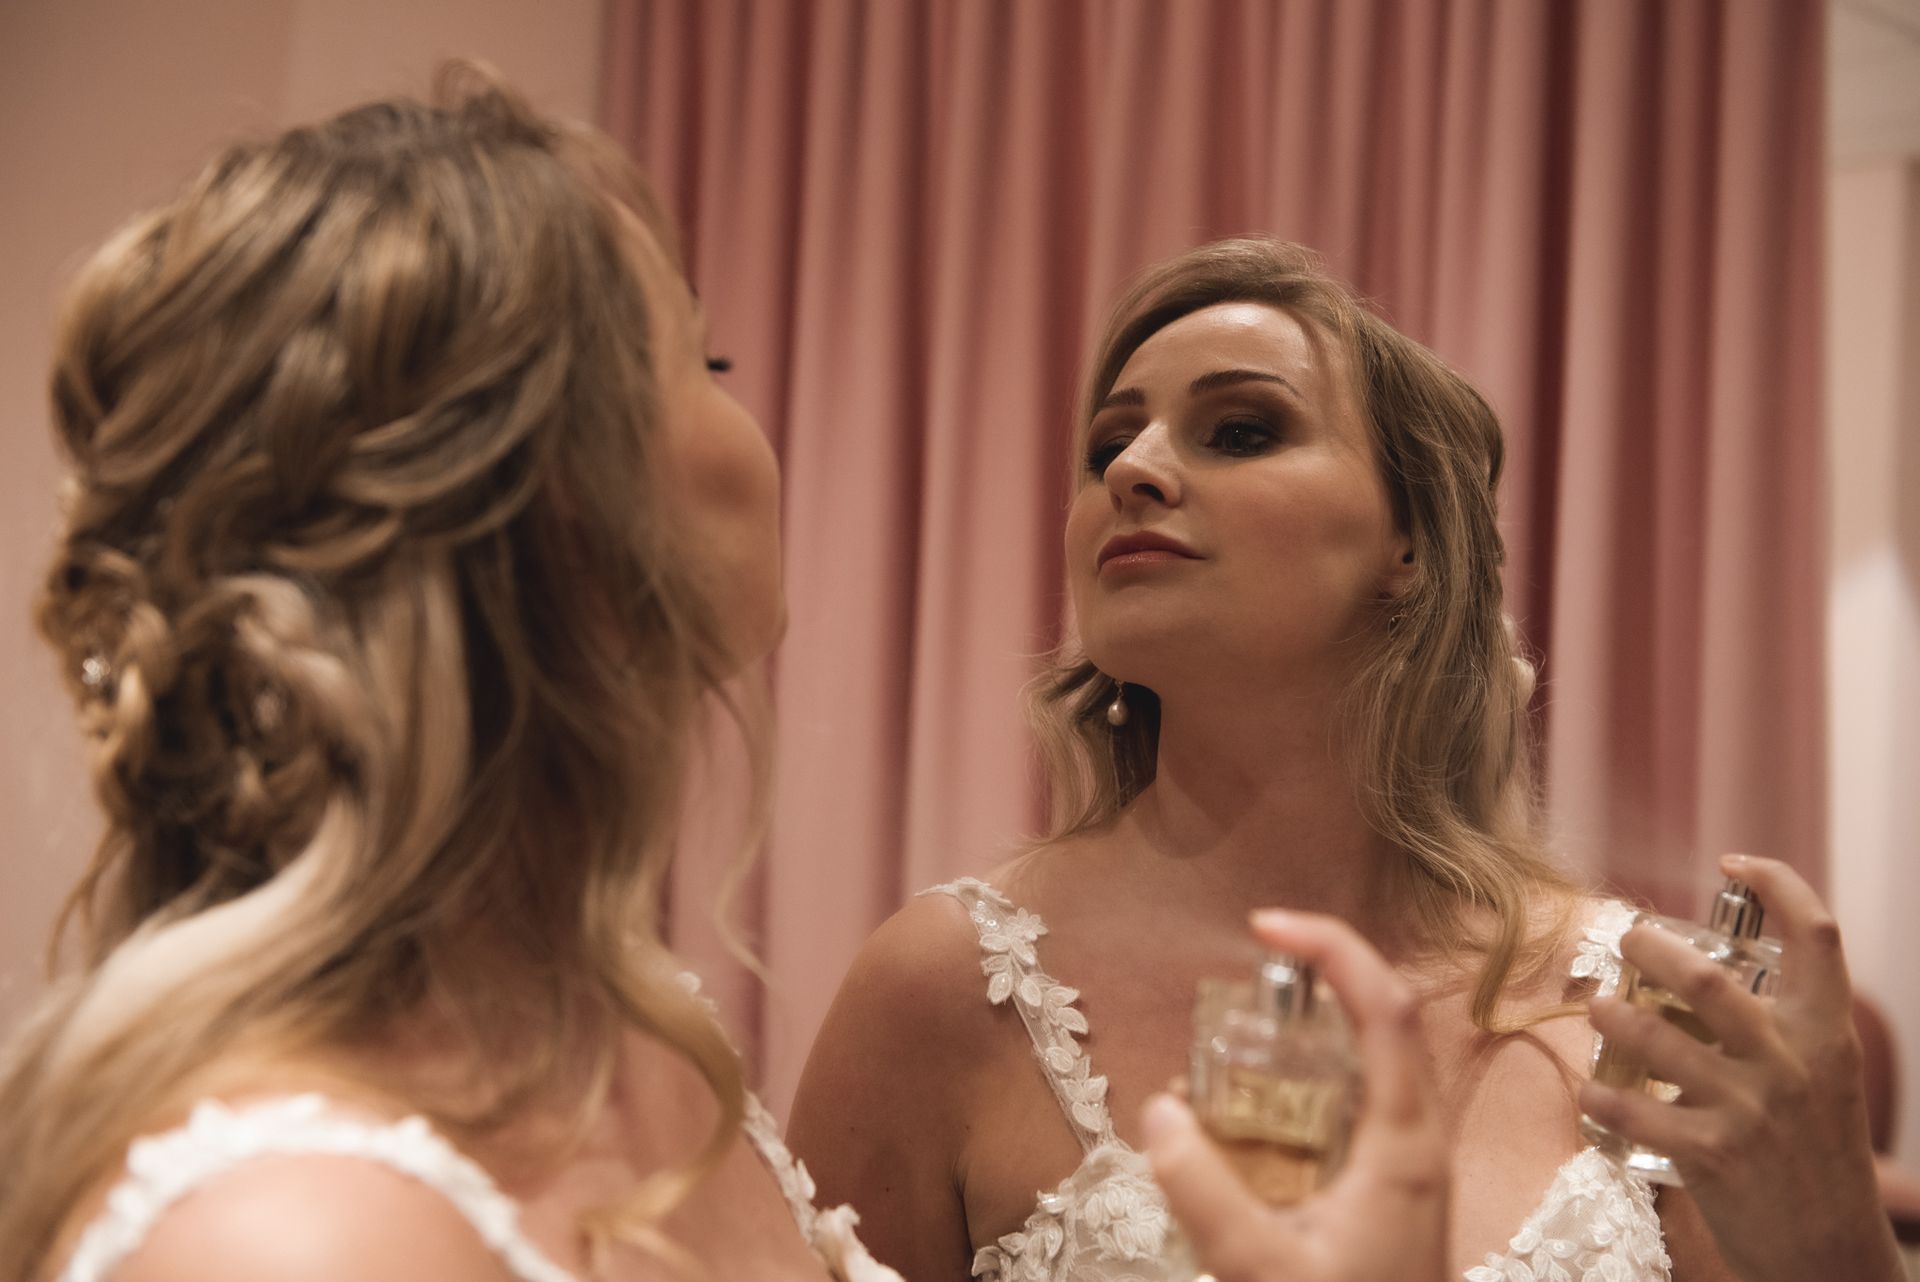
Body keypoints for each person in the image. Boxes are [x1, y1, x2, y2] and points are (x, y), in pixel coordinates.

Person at [0, 75, 1462, 1282]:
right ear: (553, 493)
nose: (1133, 474)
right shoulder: (301, 1235)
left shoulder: (659, 1052)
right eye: (699, 361)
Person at [787, 238, 1905, 1282]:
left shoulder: (1628, 1011)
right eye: (1104, 446)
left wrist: (1841, 1237)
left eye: (1240, 431)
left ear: (1408, 544)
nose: (1133, 468)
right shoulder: (944, 991)